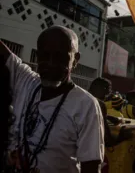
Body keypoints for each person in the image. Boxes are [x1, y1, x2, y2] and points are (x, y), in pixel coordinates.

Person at [0, 26, 104, 172]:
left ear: (75, 60)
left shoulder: (86, 105)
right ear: (37, 56)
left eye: (60, 57)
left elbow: (91, 167)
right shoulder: (26, 81)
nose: (51, 63)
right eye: (44, 56)